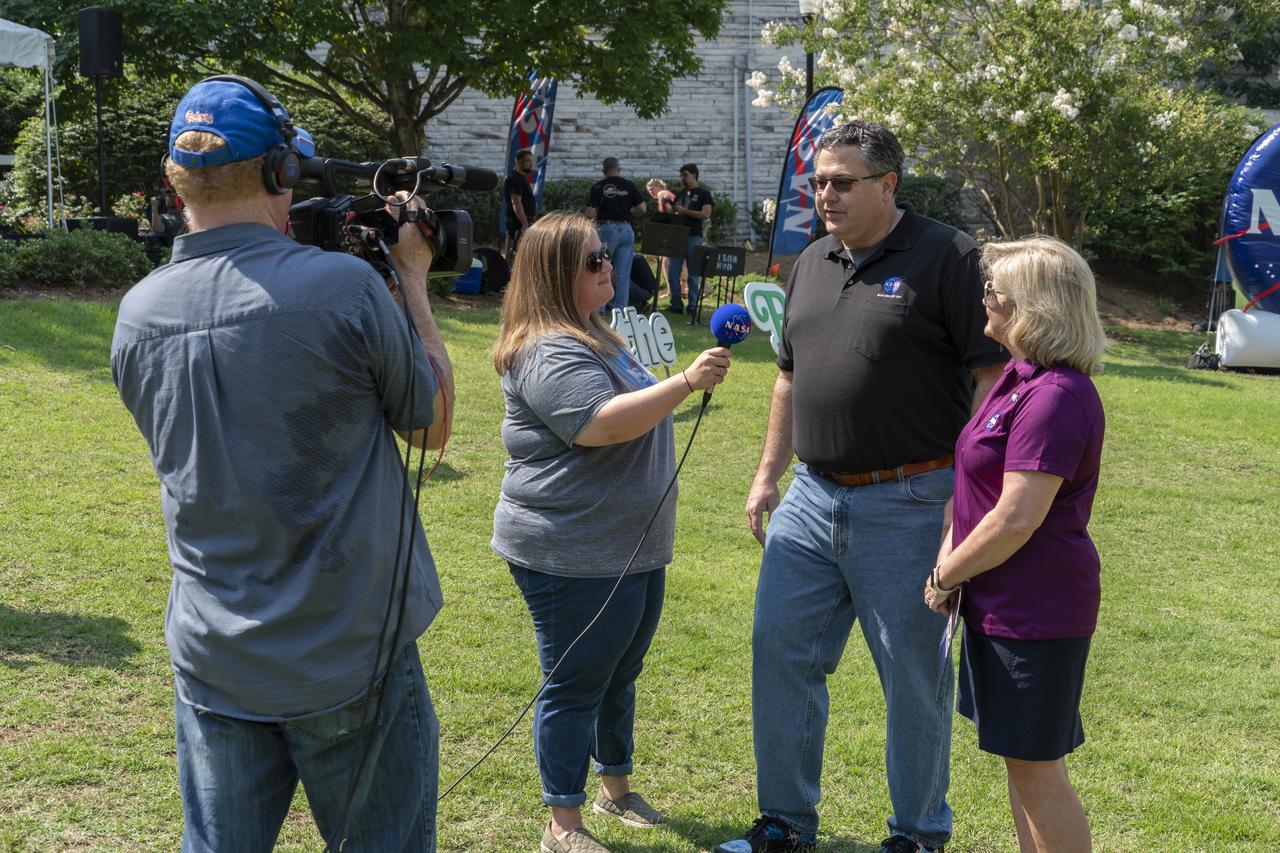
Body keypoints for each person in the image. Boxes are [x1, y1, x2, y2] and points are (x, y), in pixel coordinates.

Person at [110, 76, 455, 852]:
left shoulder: (137, 314)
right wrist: (411, 280)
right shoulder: (345, 287)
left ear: (174, 179)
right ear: (281, 174)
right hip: (349, 656)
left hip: (214, 657)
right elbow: (432, 425)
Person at [717, 119, 1007, 853]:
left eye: (842, 182)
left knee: (914, 677)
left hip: (912, 501)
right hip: (811, 500)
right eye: (819, 182)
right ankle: (783, 823)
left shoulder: (949, 255)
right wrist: (766, 473)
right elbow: (789, 375)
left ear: (888, 185)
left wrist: (964, 501)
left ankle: (917, 832)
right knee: (779, 653)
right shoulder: (811, 259)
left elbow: (991, 377)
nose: (825, 195)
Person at [491, 212, 731, 853]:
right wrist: (685, 382)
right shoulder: (546, 347)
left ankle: (616, 788)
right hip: (572, 549)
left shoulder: (599, 335)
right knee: (575, 683)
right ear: (556, 274)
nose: (609, 267)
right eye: (594, 260)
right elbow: (599, 424)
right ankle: (561, 825)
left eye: (605, 256)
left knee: (620, 671)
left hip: (628, 545)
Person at [923, 236, 1106, 853]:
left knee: (1037, 764)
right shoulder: (1018, 376)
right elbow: (975, 485)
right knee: (1018, 759)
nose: (984, 300)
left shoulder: (1056, 396)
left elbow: (1017, 517)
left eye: (994, 292)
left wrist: (947, 575)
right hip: (997, 600)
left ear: (1032, 306)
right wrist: (955, 563)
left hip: (1035, 610)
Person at [586, 157, 646, 313]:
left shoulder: (599, 187)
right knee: (623, 273)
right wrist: (628, 212)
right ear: (618, 169)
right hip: (626, 230)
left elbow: (591, 212)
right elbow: (642, 208)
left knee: (600, 268)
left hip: (606, 229)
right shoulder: (629, 185)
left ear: (604, 171)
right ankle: (621, 310)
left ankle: (599, 308)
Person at [665, 163, 713, 315]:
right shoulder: (680, 194)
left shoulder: (704, 193)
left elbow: (706, 214)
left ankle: (692, 305)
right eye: (681, 175)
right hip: (678, 236)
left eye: (685, 175)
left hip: (694, 236)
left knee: (693, 273)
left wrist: (685, 211)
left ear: (694, 174)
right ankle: (676, 304)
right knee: (673, 272)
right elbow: (672, 211)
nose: (682, 178)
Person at [505, 148, 538, 260]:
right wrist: (524, 223)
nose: (531, 164)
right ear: (519, 161)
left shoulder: (520, 178)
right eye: (528, 161)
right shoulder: (516, 179)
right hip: (518, 223)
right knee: (517, 254)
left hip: (523, 222)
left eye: (531, 161)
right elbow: (516, 202)